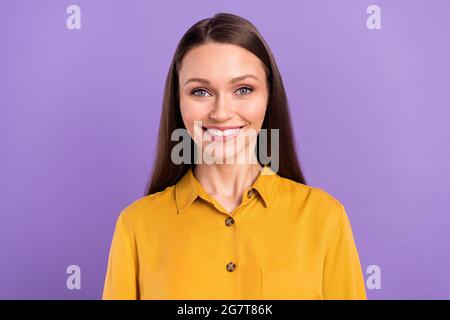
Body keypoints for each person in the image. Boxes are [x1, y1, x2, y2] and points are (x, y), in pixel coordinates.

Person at [102, 12, 367, 300]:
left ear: (269, 96)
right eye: (201, 91)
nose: (221, 112)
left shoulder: (325, 217)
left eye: (243, 89)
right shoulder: (136, 225)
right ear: (178, 101)